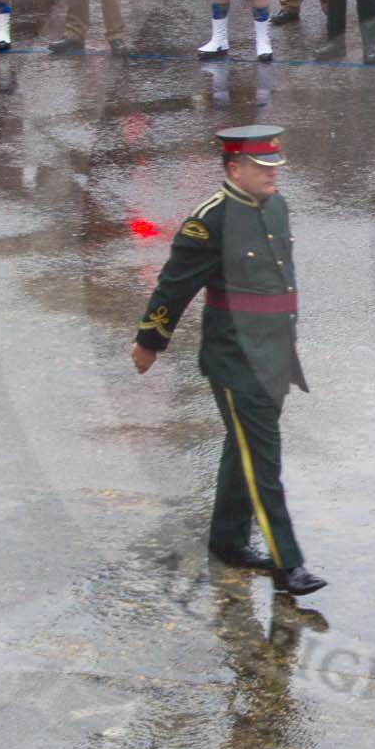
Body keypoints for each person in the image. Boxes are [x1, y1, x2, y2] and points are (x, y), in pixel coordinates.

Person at [132, 125, 325, 598]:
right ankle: (289, 563)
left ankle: (226, 541)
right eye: (261, 168)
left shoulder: (277, 205)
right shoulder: (208, 222)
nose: (271, 175)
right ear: (234, 168)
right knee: (263, 456)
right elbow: (174, 285)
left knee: (243, 448)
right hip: (235, 357)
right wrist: (150, 342)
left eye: (275, 166)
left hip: (276, 351)